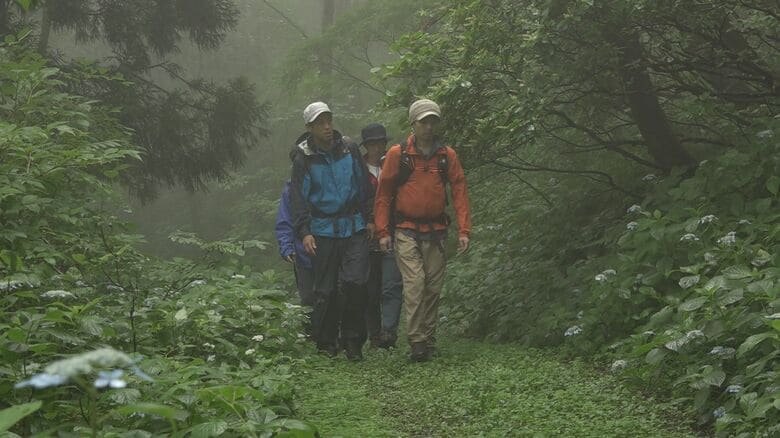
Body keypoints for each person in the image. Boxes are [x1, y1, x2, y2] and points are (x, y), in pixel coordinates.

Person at [374, 99, 472, 362]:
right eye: (423, 122)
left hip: (437, 230)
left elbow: (459, 190)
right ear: (413, 123)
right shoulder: (399, 154)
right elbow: (383, 194)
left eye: (433, 121)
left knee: (433, 287)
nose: (429, 127)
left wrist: (464, 229)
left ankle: (427, 338)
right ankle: (417, 341)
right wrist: (383, 231)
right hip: (405, 229)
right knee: (415, 284)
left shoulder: (446, 156)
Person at [289, 101, 374, 361]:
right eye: (320, 122)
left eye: (329, 120)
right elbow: (299, 198)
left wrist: (369, 218)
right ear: (309, 127)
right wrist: (304, 231)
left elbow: (363, 185)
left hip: (354, 225)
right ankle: (326, 342)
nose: (327, 126)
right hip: (322, 229)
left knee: (356, 281)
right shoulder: (304, 158)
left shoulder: (348, 149)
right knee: (325, 290)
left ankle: (353, 340)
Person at [359, 123, 404, 349]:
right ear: (366, 146)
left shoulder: (395, 165)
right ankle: (374, 334)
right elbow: (357, 199)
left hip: (393, 231)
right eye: (373, 144)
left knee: (392, 283)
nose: (377, 148)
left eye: (380, 143)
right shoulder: (358, 170)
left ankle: (389, 332)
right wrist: (368, 218)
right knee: (370, 288)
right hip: (366, 236)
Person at [274, 181, 314, 308]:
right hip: (303, 255)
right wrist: (286, 247)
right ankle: (311, 327)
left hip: (332, 252)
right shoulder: (291, 188)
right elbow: (285, 220)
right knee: (308, 300)